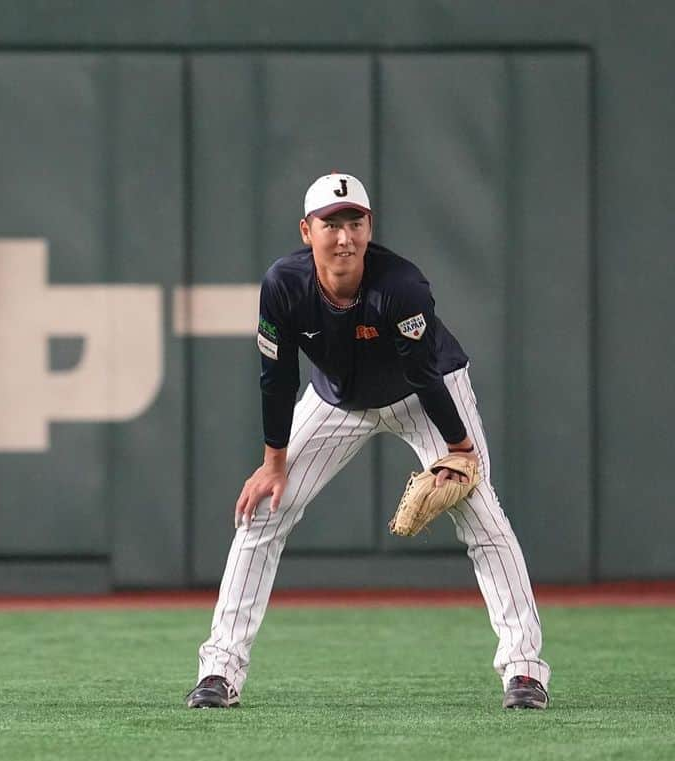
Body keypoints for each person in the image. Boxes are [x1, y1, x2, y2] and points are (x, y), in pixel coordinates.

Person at [186, 172, 551, 711]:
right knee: (263, 511)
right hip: (338, 402)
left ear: (369, 227)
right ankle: (219, 671)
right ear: (307, 232)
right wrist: (273, 462)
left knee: (482, 515)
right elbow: (277, 377)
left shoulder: (400, 286)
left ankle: (524, 671)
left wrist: (461, 453)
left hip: (426, 396)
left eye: (354, 223)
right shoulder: (283, 285)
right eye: (331, 225)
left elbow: (425, 376)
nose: (344, 237)